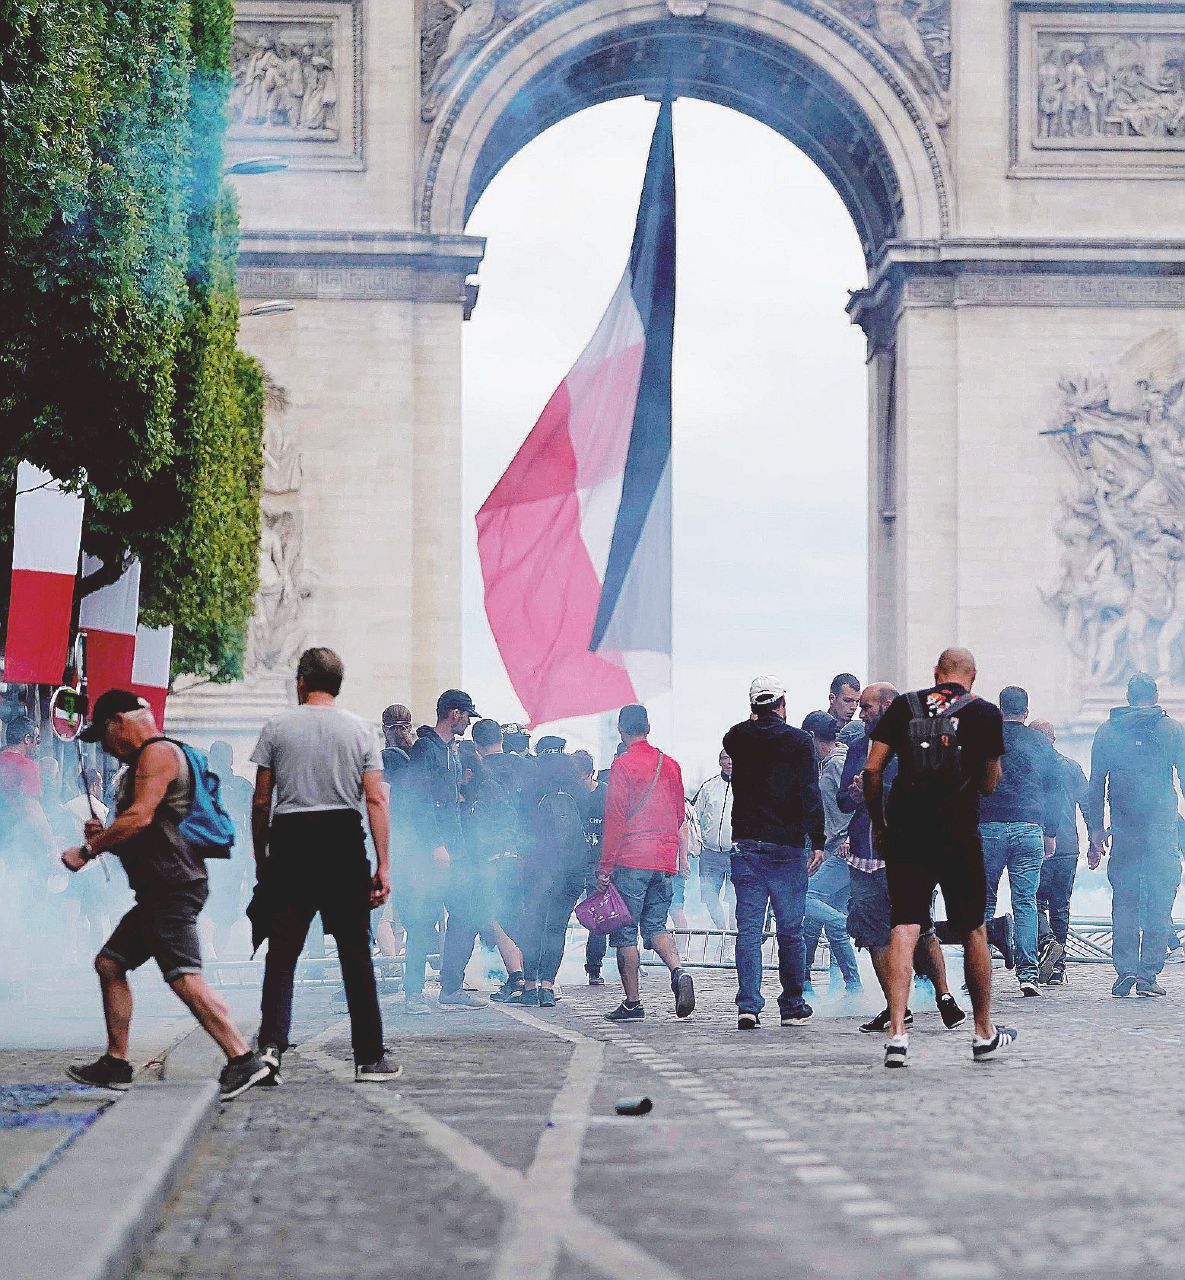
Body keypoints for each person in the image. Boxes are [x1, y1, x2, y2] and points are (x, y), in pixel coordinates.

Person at [61, 691, 269, 1099]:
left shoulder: (157, 755)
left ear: (119, 722)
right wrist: (105, 837)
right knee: (109, 963)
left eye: (103, 735)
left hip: (171, 886)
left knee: (184, 978)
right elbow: (144, 828)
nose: (105, 747)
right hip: (159, 887)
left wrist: (89, 850)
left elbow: (139, 819)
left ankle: (243, 1058)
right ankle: (116, 1062)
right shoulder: (149, 759)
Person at [251, 648, 399, 1083]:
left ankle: (271, 1049)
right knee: (355, 954)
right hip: (342, 840)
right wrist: (383, 866)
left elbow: (262, 802)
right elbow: (375, 798)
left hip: (291, 839)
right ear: (338, 683)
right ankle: (369, 1056)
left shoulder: (277, 727)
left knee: (283, 954)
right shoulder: (360, 731)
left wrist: (262, 860)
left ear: (301, 680)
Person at [864, 648, 1017, 1067]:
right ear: (973, 675)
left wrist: (879, 823)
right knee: (973, 930)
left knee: (905, 926)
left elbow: (872, 770)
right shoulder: (984, 713)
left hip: (906, 832)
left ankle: (897, 1033)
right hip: (957, 833)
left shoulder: (904, 706)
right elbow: (989, 784)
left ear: (936, 675)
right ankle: (983, 1032)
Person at [840, 683, 970, 1034]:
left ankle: (944, 995)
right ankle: (896, 1006)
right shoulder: (857, 746)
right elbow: (842, 800)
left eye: (866, 707)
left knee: (920, 927)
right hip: (865, 856)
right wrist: (853, 793)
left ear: (887, 706)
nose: (861, 713)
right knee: (873, 933)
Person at [723, 675, 823, 1031]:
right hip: (788, 847)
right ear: (782, 704)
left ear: (753, 707)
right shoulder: (799, 741)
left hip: (747, 845)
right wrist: (819, 839)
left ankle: (748, 1005)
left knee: (749, 929)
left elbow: (743, 735)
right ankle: (792, 1004)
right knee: (790, 930)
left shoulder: (735, 738)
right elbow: (810, 792)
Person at [1084, 673, 1185, 998]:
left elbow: (1095, 785)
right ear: (1155, 695)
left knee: (1124, 900)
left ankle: (1125, 970)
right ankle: (1148, 975)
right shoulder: (1171, 729)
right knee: (1159, 898)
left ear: (1127, 697)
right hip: (1160, 829)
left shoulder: (1108, 731)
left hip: (1124, 830)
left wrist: (1096, 831)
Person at [598, 704, 695, 1022]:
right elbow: (680, 814)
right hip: (663, 860)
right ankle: (678, 971)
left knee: (626, 933)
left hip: (632, 859)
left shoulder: (623, 767)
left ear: (621, 731)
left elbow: (614, 818)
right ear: (648, 727)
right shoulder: (671, 765)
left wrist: (605, 866)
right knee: (655, 925)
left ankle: (633, 1003)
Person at [402, 689, 485, 1010]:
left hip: (455, 847)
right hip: (431, 850)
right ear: (454, 714)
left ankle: (451, 986)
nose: (467, 722)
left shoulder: (450, 750)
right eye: (466, 715)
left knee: (467, 913)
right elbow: (420, 800)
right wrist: (436, 843)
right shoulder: (426, 749)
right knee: (423, 922)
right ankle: (413, 992)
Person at [978, 686, 1060, 997]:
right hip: (1028, 828)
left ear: (1000, 710)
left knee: (983, 903)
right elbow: (1055, 787)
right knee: (1025, 902)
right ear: (1026, 712)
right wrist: (1050, 831)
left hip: (989, 828)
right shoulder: (1039, 741)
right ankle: (1029, 975)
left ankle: (980, 972)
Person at [513, 749, 592, 1006]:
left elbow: (523, 836)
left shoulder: (531, 794)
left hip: (540, 871)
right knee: (556, 928)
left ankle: (530, 987)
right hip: (571, 872)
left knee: (534, 927)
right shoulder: (580, 793)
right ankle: (548, 987)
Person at [800, 711, 862, 996]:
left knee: (808, 899)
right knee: (825, 918)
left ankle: (850, 984)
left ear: (812, 736)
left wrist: (850, 835)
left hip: (842, 849)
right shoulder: (828, 763)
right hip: (833, 848)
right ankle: (850, 988)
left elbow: (857, 801)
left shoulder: (838, 762)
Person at [1030, 719, 1087, 985]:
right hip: (1066, 847)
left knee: (1034, 902)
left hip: (1036, 845)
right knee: (1060, 906)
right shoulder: (1071, 767)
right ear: (1053, 738)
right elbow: (1087, 805)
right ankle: (1057, 967)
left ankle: (1046, 944)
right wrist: (1095, 841)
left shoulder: (1027, 766)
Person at [571, 748, 609, 984]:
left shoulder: (605, 795)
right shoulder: (569, 795)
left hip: (597, 865)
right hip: (573, 864)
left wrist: (607, 865)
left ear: (590, 773)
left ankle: (594, 967)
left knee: (598, 919)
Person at [691, 751, 736, 931]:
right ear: (719, 761)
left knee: (735, 899)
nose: (730, 762)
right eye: (725, 758)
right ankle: (722, 930)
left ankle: (733, 940)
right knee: (709, 897)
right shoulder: (708, 787)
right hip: (709, 854)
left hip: (736, 854)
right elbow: (694, 815)